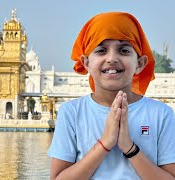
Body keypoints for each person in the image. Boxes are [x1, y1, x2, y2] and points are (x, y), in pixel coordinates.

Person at [47, 12, 175, 179]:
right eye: (101, 50)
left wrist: (129, 147)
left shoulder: (160, 114)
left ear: (140, 63)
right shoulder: (71, 112)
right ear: (86, 63)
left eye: (124, 50)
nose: (112, 58)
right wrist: (105, 143)